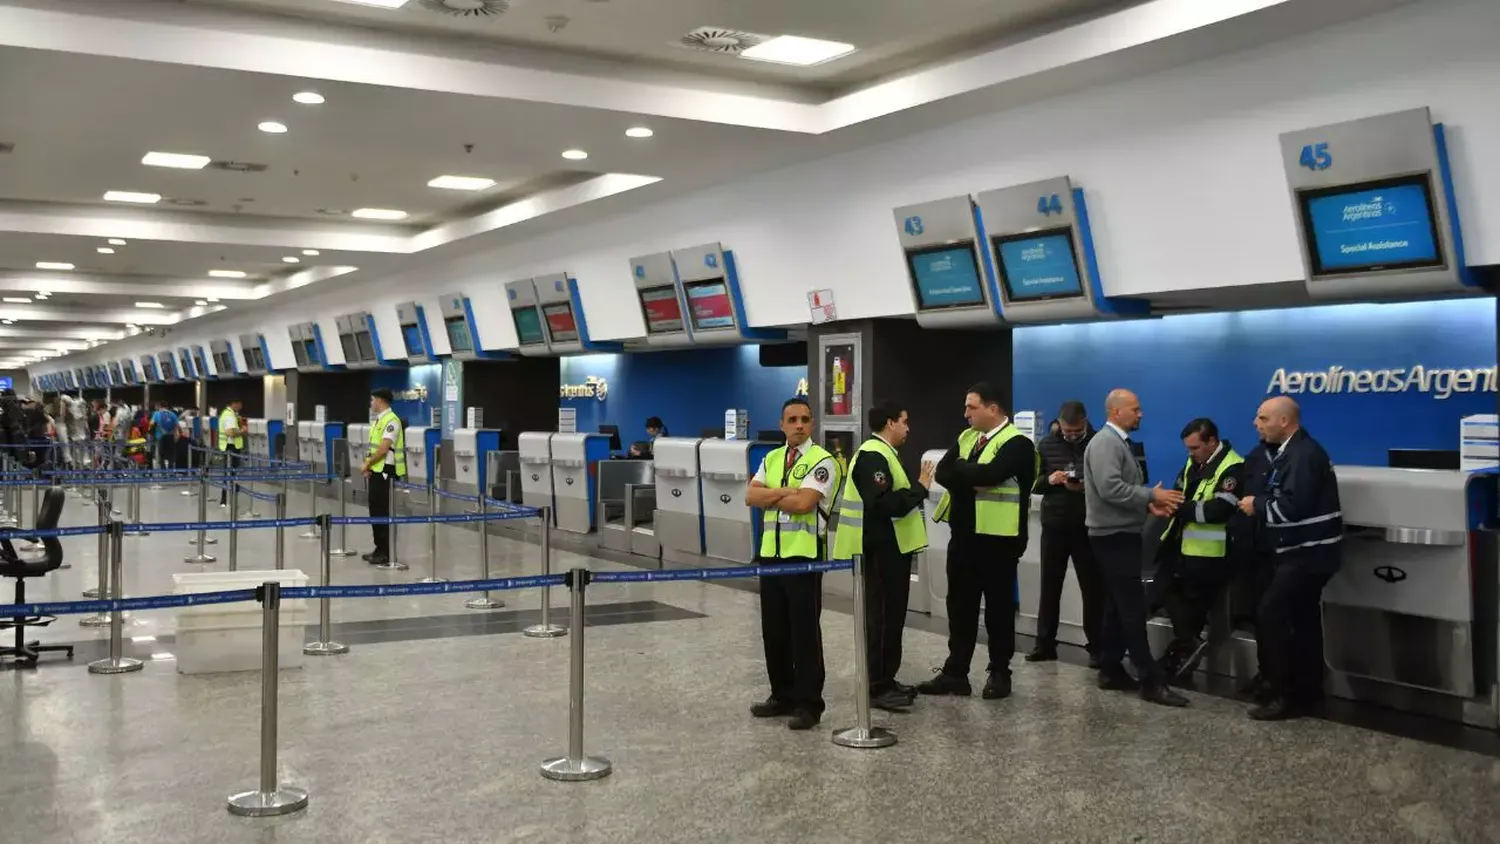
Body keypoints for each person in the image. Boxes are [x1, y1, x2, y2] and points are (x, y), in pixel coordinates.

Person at [917, 382, 1037, 700]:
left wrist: (969, 474)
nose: (965, 413)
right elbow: (943, 472)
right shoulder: (967, 437)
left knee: (998, 611)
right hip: (964, 539)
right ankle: (956, 672)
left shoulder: (1018, 444)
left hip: (999, 542)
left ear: (992, 409)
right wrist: (973, 476)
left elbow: (991, 475)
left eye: (972, 407)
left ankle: (999, 672)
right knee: (960, 608)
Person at [1237, 396, 1342, 721]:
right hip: (1301, 553)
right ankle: (1307, 692)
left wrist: (1257, 505)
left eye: (1263, 418)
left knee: (1272, 612)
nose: (1257, 423)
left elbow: (1293, 507)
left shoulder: (1304, 455)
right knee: (1303, 621)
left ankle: (1285, 694)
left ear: (1285, 421)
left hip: (1309, 554)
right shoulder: (1287, 454)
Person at [1083, 389, 1189, 707]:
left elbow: (1117, 491)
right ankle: (1150, 679)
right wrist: (1151, 497)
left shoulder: (1117, 443)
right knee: (1132, 608)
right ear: (1117, 412)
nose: (1140, 414)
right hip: (1112, 537)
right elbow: (1110, 488)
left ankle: (1111, 669)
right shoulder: (1105, 443)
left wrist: (1145, 506)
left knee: (1118, 605)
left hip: (1121, 533)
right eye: (1136, 409)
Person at [743, 397, 840, 731]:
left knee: (805, 633)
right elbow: (749, 496)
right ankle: (781, 695)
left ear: (811, 424)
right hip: (771, 557)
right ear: (782, 424)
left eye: (805, 419)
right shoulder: (770, 458)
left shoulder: (823, 460)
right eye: (792, 419)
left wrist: (773, 493)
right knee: (774, 631)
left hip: (804, 558)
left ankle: (809, 703)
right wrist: (784, 491)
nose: (799, 425)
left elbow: (804, 503)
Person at [831, 400, 934, 712]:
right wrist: (919, 488)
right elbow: (883, 504)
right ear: (890, 423)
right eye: (904, 421)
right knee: (882, 618)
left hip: (893, 551)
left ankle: (886, 678)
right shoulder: (872, 456)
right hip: (879, 552)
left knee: (892, 618)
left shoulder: (885, 454)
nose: (908, 427)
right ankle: (877, 685)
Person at [1151, 417, 1244, 681]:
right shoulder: (1194, 462)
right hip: (1180, 546)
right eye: (1188, 449)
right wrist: (1174, 504)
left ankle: (1179, 663)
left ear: (1212, 442)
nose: (1190, 454)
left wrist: (1182, 508)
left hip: (1209, 555)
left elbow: (1219, 510)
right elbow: (1179, 491)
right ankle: (1187, 646)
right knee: (1160, 590)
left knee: (1191, 611)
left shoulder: (1233, 467)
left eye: (1194, 448)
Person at [1028, 400, 1103, 666]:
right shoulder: (1046, 445)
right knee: (1049, 587)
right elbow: (1033, 484)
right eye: (1067, 430)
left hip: (1087, 525)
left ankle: (1097, 648)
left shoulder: (1098, 443)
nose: (1071, 435)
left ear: (1085, 421)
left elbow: (1107, 483)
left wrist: (1085, 486)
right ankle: (1045, 644)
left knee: (1093, 590)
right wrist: (1050, 480)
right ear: (1058, 423)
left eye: (1076, 430)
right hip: (1054, 525)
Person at [361, 388, 406, 566]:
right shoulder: (378, 421)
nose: (371, 404)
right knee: (375, 510)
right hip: (376, 472)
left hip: (386, 472)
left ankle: (386, 552)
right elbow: (373, 448)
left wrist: (367, 464)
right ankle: (379, 548)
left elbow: (383, 448)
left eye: (373, 400)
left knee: (382, 511)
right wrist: (368, 465)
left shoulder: (391, 421)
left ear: (380, 401)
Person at [217, 399, 245, 506]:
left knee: (230, 473)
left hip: (228, 447)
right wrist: (242, 431)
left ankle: (227, 499)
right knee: (229, 474)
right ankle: (225, 499)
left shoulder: (229, 414)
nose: (241, 407)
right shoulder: (229, 415)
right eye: (240, 404)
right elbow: (230, 432)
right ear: (234, 403)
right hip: (231, 447)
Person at [150, 401, 179, 471]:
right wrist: (175, 435)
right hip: (171, 436)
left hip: (160, 436)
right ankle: (171, 470)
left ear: (160, 406)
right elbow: (176, 425)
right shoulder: (173, 414)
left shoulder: (156, 413)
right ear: (167, 407)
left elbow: (151, 423)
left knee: (161, 454)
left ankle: (163, 471)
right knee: (171, 454)